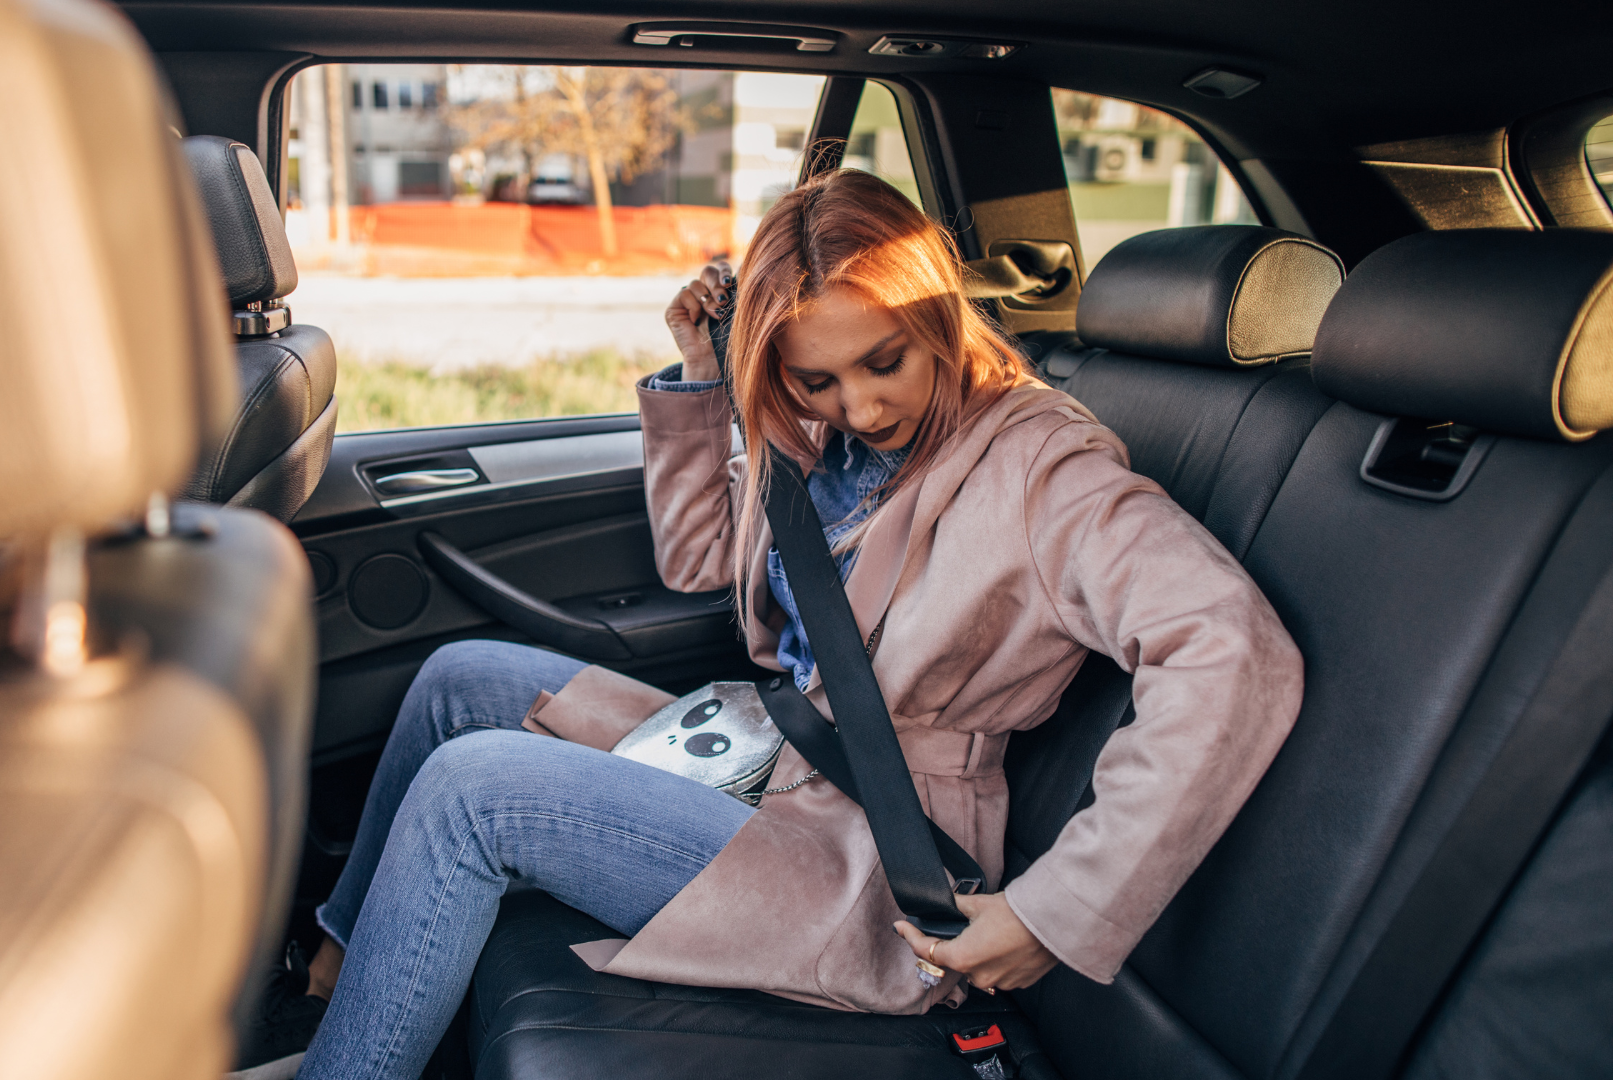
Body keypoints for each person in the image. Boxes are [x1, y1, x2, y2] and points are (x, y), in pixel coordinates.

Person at [270, 169, 1302, 1079]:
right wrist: (700, 376)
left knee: (471, 792)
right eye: (817, 377)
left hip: (873, 846)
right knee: (460, 677)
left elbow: (1230, 651)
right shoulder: (815, 438)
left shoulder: (1044, 468)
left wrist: (1059, 908)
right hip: (778, 753)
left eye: (886, 361)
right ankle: (337, 977)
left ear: (940, 317)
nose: (857, 406)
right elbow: (698, 561)